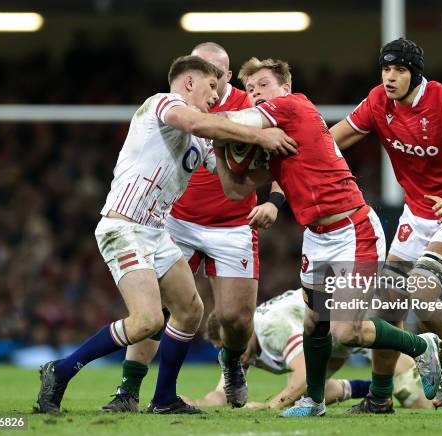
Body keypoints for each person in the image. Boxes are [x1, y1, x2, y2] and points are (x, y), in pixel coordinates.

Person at [34, 55, 296, 415]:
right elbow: (197, 121)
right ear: (189, 83)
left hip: (156, 232)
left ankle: (164, 399)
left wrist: (283, 164)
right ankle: (61, 371)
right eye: (209, 88)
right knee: (148, 321)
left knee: (190, 311)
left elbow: (234, 188)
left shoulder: (200, 141)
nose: (214, 96)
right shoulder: (162, 104)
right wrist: (258, 133)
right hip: (123, 226)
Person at [213, 57, 442, 417]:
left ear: (284, 88)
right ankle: (315, 401)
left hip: (353, 229)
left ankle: (420, 345)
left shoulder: (295, 104)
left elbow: (226, 122)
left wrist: (206, 120)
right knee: (313, 323)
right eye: (250, 89)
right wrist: (222, 151)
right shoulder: (270, 141)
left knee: (346, 333)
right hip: (318, 236)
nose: (255, 93)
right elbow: (235, 190)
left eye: (263, 85)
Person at [99, 42, 285, 413]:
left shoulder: (250, 109)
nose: (211, 84)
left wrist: (274, 201)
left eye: (216, 74)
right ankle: (129, 390)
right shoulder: (183, 108)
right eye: (203, 72)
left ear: (227, 76)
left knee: (235, 318)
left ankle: (232, 364)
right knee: (159, 312)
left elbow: (281, 160)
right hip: (176, 222)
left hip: (233, 224)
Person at [329, 38, 442, 412]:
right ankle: (379, 397)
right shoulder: (378, 101)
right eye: (386, 69)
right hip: (416, 216)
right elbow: (333, 140)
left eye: (399, 70)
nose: (390, 77)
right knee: (389, 308)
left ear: (415, 73)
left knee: (421, 289)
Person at [189, 288, 442, 410]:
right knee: (318, 392)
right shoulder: (239, 345)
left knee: (405, 387)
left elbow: (301, 377)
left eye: (231, 349)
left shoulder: (272, 328)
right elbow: (223, 393)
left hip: (345, 314)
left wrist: (270, 406)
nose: (233, 357)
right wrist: (195, 403)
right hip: (330, 336)